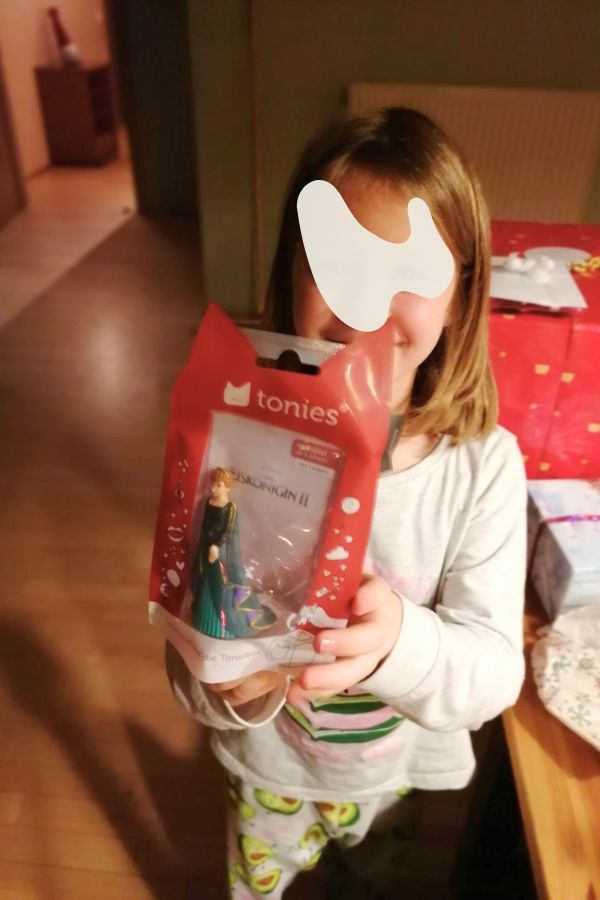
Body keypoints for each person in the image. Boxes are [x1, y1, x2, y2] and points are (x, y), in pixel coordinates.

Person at [166, 107, 527, 898]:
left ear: (461, 297)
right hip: (269, 771)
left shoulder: (483, 469)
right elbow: (189, 662)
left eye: (410, 275)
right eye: (337, 266)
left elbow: (495, 673)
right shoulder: (239, 444)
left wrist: (399, 641)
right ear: (291, 273)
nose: (367, 310)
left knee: (368, 884)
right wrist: (228, 681)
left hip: (389, 782)